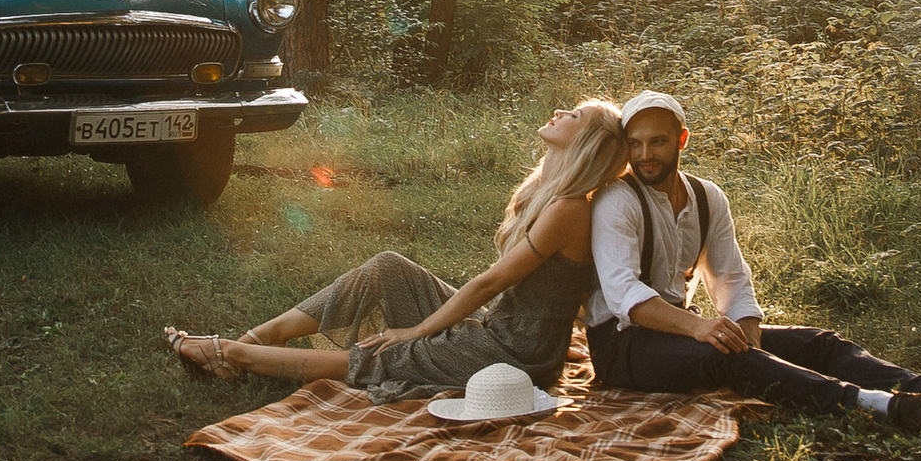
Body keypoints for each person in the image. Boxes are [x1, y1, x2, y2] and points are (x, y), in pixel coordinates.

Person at [586, 90, 921, 432]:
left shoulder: (707, 197)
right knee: (722, 355)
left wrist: (748, 334)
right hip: (623, 347)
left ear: (682, 139)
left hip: (681, 329)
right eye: (636, 144)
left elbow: (730, 277)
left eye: (658, 142)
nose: (645, 155)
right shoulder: (616, 201)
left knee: (818, 343)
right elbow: (626, 296)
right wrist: (704, 329)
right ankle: (877, 405)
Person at [167, 99, 627, 400]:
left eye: (574, 115)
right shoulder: (551, 192)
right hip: (500, 328)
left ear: (586, 142)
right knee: (388, 268)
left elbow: (491, 282)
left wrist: (416, 331)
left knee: (382, 359)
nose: (559, 112)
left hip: (517, 355)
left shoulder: (570, 208)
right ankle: (259, 339)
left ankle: (233, 354)